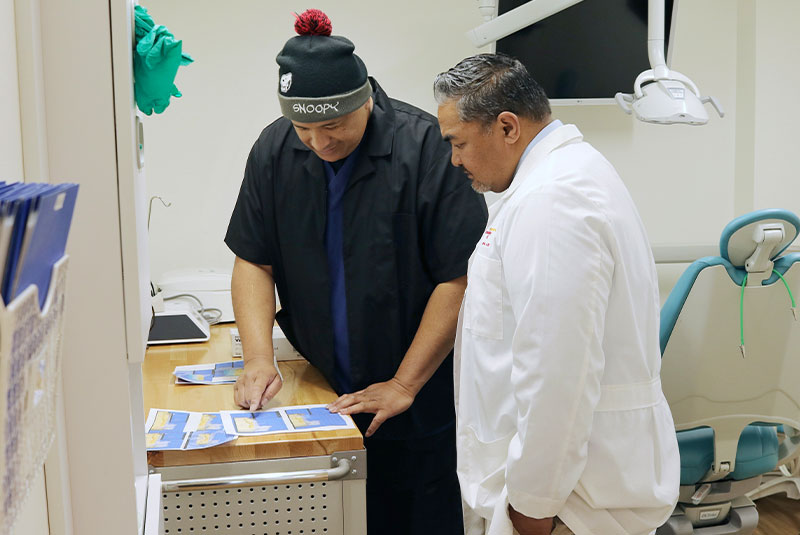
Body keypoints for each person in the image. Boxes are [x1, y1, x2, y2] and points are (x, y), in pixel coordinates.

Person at [225, 10, 487, 535]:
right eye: (304, 128)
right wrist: (257, 358)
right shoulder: (274, 150)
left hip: (415, 402)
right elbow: (254, 258)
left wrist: (403, 384)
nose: (319, 143)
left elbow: (457, 278)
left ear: (366, 100)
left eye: (333, 125)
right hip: (325, 395)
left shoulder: (425, 150)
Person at [433, 53, 680, 535]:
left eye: (458, 143)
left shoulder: (552, 201)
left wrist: (531, 506)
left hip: (568, 506)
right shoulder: (563, 177)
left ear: (507, 127)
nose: (454, 159)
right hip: (567, 493)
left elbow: (557, 375)